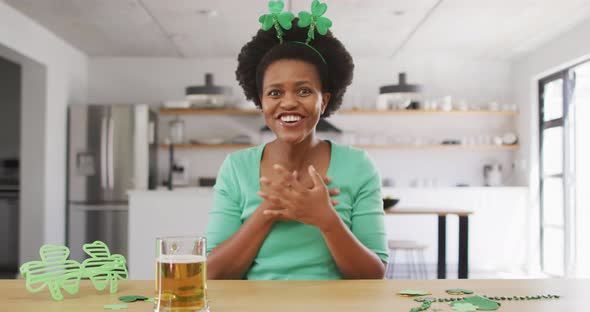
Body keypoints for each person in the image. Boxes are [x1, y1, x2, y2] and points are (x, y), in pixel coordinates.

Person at [206, 0, 388, 280]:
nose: (288, 103)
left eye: (303, 91)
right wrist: (268, 210)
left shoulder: (358, 166)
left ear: (324, 101)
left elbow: (374, 275)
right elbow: (213, 273)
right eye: (275, 93)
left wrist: (326, 219)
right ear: (261, 101)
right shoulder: (236, 168)